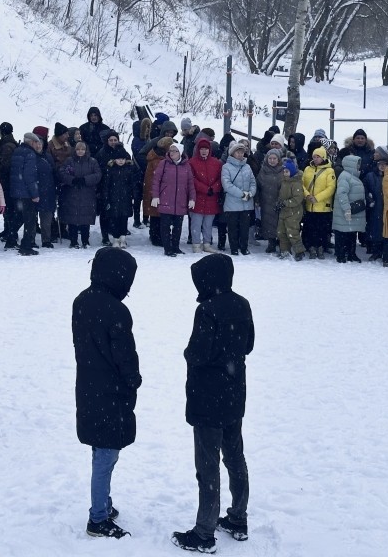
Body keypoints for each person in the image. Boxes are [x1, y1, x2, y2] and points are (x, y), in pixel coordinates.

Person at [172, 253, 253, 553]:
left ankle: (204, 533)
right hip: (234, 394)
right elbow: (249, 344)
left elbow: (198, 353)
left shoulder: (207, 310)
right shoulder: (242, 304)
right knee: (234, 457)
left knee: (207, 465)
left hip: (208, 398)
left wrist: (188, 355)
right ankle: (238, 517)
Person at [72, 247, 141, 539]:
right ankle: (98, 517)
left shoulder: (82, 301)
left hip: (88, 385)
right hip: (110, 390)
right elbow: (124, 355)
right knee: (106, 455)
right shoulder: (116, 310)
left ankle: (103, 502)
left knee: (99, 449)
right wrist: (133, 379)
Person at [151, 143, 196, 257]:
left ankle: (175, 247)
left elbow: (190, 183)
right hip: (166, 200)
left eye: (175, 151)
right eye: (171, 151)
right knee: (165, 226)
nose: (172, 153)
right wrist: (155, 196)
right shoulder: (164, 164)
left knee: (178, 227)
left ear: (180, 152)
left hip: (180, 202)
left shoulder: (186, 166)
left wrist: (192, 198)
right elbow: (156, 181)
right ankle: (167, 248)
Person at [58, 141, 102, 249]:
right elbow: (62, 173)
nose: (80, 151)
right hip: (72, 194)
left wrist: (85, 180)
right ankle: (73, 241)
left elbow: (98, 175)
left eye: (82, 149)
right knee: (72, 219)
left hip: (87, 194)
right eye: (78, 149)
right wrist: (72, 180)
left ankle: (85, 240)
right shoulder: (69, 161)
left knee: (85, 220)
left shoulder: (92, 161)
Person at [97, 134, 136, 248]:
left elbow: (132, 184)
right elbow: (106, 185)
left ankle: (123, 239)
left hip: (125, 199)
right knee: (113, 219)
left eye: (122, 159)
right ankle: (114, 239)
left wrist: (133, 195)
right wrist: (106, 197)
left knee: (123, 219)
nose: (121, 161)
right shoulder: (110, 169)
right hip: (113, 199)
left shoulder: (128, 170)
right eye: (118, 159)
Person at [9, 132, 42, 255]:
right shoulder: (30, 154)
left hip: (16, 191)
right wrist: (34, 194)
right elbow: (29, 175)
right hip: (26, 192)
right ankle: (26, 246)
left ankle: (11, 239)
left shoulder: (17, 151)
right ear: (32, 142)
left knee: (18, 217)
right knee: (30, 219)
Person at [221, 142, 256, 256]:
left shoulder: (247, 166)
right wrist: (242, 194)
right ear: (232, 153)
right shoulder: (226, 167)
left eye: (242, 152)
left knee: (244, 228)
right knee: (233, 228)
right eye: (238, 152)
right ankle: (234, 248)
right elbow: (227, 185)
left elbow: (253, 182)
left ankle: (244, 247)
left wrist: (250, 193)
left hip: (247, 203)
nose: (240, 154)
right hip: (232, 204)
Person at [189, 138, 223, 254]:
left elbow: (220, 179)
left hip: (211, 198)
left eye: (206, 149)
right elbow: (191, 179)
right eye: (202, 149)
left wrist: (214, 188)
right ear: (198, 150)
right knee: (196, 223)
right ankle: (196, 244)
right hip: (197, 197)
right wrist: (205, 188)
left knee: (208, 224)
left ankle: (207, 244)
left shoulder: (216, 163)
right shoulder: (192, 162)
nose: (204, 151)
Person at [302, 147, 336, 259]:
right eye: (314, 156)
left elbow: (331, 188)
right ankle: (311, 247)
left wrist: (317, 198)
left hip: (323, 207)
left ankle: (321, 247)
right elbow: (301, 184)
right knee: (310, 229)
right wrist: (307, 195)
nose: (316, 159)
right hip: (310, 206)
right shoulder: (307, 169)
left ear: (323, 157)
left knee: (322, 229)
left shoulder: (329, 171)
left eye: (318, 157)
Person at [332, 155, 366, 263]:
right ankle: (341, 255)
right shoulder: (345, 176)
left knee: (351, 234)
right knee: (342, 234)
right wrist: (347, 209)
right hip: (345, 211)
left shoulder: (353, 176)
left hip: (353, 211)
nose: (359, 166)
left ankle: (351, 254)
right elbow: (342, 193)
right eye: (357, 164)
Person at [276, 160, 306, 260]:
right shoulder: (284, 182)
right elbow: (281, 195)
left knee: (292, 232)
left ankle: (299, 251)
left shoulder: (296, 183)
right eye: (284, 171)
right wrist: (279, 203)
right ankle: (285, 250)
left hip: (294, 212)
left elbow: (297, 198)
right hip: (284, 211)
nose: (285, 173)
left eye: (287, 171)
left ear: (292, 172)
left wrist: (286, 203)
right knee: (281, 232)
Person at [256, 148, 284, 254]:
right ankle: (271, 243)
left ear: (278, 159)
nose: (272, 160)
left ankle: (282, 244)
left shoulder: (283, 170)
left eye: (274, 158)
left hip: (279, 201)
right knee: (268, 223)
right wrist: (257, 198)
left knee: (280, 223)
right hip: (266, 201)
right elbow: (257, 185)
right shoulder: (263, 170)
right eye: (270, 158)